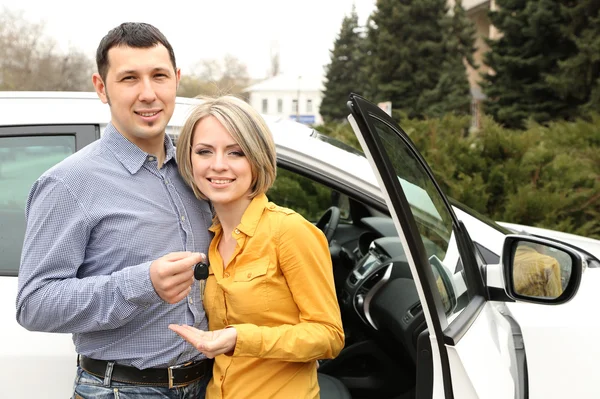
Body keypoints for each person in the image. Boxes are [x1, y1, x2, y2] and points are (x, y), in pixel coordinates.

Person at [16, 23, 213, 398]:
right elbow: (33, 304)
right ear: (101, 87)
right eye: (129, 79)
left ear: (177, 79)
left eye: (159, 76)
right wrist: (141, 285)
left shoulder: (196, 171)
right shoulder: (70, 183)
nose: (148, 94)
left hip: (207, 384)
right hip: (122, 390)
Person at [169, 95, 345, 398]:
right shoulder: (210, 240)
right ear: (189, 159)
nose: (218, 165)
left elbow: (329, 336)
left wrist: (240, 338)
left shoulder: (288, 231)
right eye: (204, 151)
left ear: (257, 158)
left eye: (235, 152)